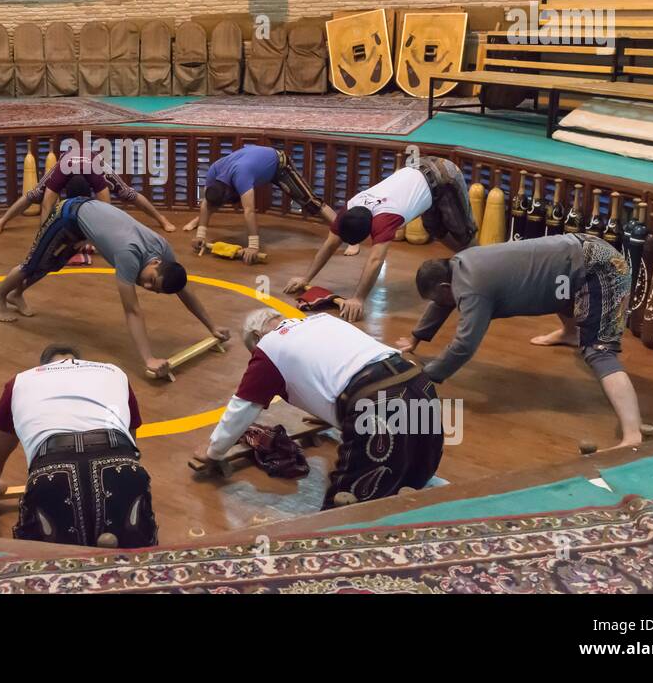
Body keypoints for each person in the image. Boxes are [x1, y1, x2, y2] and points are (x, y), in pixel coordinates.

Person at [397, 233, 645, 449]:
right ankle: (570, 332)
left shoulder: (471, 287)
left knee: (599, 352)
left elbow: (465, 344)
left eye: (439, 297)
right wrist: (415, 338)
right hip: (579, 252)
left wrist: (428, 376)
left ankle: (632, 434)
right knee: (556, 285)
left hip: (601, 268)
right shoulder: (460, 263)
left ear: (443, 286)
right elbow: (442, 303)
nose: (441, 303)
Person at [196, 309, 442, 505]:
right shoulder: (323, 321)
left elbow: (244, 408)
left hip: (376, 403)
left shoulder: (268, 349)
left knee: (349, 504)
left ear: (257, 338)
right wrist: (331, 415)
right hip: (418, 382)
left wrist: (214, 451)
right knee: (417, 472)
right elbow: (339, 367)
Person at [0, 197, 229, 378]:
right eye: (152, 281)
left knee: (51, 265)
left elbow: (184, 290)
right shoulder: (129, 255)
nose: (146, 285)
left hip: (86, 218)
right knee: (32, 263)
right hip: (67, 214)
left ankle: (17, 293)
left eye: (153, 289)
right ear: (156, 263)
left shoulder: (164, 252)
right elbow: (132, 310)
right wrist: (149, 359)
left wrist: (212, 326)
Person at [0, 344, 156, 548]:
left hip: (52, 472)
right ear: (80, 361)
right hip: (121, 463)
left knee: (49, 563)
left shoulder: (20, 382)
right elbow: (132, 445)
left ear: (43, 367)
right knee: (134, 553)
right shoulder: (114, 373)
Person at [284, 156, 478, 322]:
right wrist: (305, 278)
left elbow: (376, 260)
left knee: (464, 234)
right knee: (434, 228)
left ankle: (479, 268)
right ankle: (468, 259)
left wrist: (358, 298)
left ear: (371, 230)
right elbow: (330, 244)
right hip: (421, 173)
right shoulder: (350, 209)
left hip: (445, 176)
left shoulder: (385, 219)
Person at [185, 144, 335, 264]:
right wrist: (200, 235)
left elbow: (249, 211)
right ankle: (200, 222)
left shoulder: (241, 176)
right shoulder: (213, 171)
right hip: (253, 159)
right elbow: (207, 202)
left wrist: (253, 245)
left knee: (311, 202)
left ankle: (346, 234)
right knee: (212, 201)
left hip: (277, 164)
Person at [0, 146, 176, 235]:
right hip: (67, 160)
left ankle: (162, 219)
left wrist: (100, 236)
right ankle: (1, 221)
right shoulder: (60, 172)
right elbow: (46, 205)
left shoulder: (96, 173)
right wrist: (44, 234)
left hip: (92, 160)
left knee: (127, 192)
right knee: (34, 194)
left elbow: (107, 209)